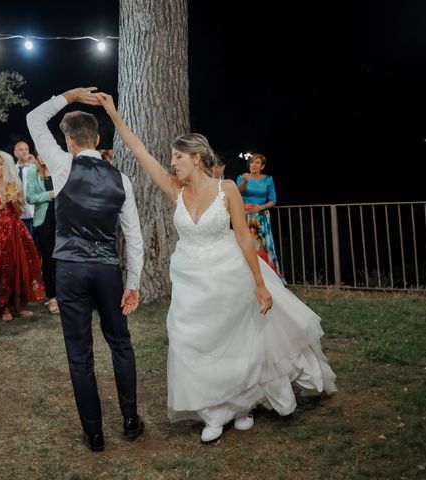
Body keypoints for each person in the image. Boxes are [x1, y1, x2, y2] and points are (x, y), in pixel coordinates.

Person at [97, 92, 337, 443]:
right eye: (172, 157)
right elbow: (141, 153)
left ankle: (241, 406)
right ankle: (213, 413)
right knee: (190, 341)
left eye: (178, 157)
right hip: (189, 279)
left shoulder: (227, 189)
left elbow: (243, 238)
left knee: (235, 342)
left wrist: (259, 283)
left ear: (196, 158)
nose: (172, 162)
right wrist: (115, 117)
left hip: (228, 274)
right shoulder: (175, 190)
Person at [27, 87, 145, 453]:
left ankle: (94, 433)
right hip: (107, 270)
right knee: (120, 343)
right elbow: (134, 238)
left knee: (80, 353)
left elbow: (33, 119)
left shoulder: (62, 165)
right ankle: (130, 419)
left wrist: (68, 96)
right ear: (97, 139)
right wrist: (133, 284)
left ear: (70, 141)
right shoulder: (121, 179)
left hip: (71, 271)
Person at [0, 150, 45, 321]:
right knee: (1, 268)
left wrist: (15, 202)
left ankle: (18, 306)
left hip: (15, 229)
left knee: (19, 266)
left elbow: (19, 211)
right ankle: (3, 307)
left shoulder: (13, 184)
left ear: (6, 166)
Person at [236, 153, 283, 277]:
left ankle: (266, 276)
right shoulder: (242, 178)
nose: (253, 165)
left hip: (260, 218)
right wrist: (245, 181)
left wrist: (261, 207)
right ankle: (245, 276)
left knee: (260, 247)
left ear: (262, 166)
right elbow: (237, 193)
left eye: (257, 163)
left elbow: (273, 200)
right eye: (252, 162)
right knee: (245, 246)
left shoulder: (268, 180)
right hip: (244, 217)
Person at [25, 153, 59, 315]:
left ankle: (66, 294)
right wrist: (49, 195)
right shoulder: (33, 172)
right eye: (40, 154)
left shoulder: (59, 168)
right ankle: (52, 297)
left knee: (64, 257)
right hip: (44, 220)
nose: (43, 157)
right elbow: (30, 197)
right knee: (48, 258)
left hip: (63, 219)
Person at [13, 140, 35, 234]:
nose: (24, 152)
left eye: (26, 149)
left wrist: (35, 163)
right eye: (21, 149)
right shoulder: (12, 170)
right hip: (18, 212)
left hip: (34, 211)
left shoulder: (34, 167)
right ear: (15, 153)